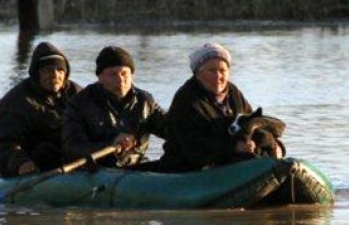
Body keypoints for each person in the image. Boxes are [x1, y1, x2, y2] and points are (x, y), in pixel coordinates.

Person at [152, 43, 266, 172]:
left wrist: (270, 145)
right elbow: (193, 146)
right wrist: (233, 147)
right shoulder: (187, 99)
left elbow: (252, 122)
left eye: (222, 71)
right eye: (212, 71)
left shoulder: (233, 92)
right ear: (198, 74)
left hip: (225, 161)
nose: (218, 76)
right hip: (187, 167)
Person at [63, 45, 166, 168]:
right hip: (97, 170)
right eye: (113, 74)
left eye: (124, 73)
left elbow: (171, 128)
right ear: (100, 77)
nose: (120, 79)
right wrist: (111, 144)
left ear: (132, 75)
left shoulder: (145, 101)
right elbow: (72, 148)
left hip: (136, 167)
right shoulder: (80, 103)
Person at [0, 41, 79, 178]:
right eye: (48, 70)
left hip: (74, 160)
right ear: (37, 73)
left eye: (60, 70)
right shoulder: (15, 103)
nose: (55, 75)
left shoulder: (78, 95)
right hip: (38, 165)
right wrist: (20, 163)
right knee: (45, 149)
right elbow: (3, 145)